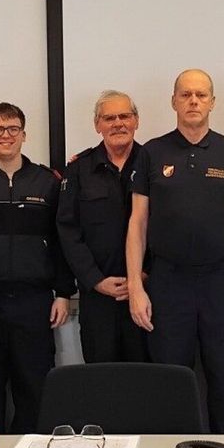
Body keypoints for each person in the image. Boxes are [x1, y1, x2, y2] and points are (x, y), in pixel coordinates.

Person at [127, 69, 224, 433]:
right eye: (185, 95)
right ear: (173, 102)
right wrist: (136, 287)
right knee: (170, 382)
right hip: (169, 282)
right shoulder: (152, 152)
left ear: (213, 102)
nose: (193, 101)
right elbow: (137, 223)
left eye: (201, 95)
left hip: (221, 281)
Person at [0, 103, 74, 434]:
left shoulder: (48, 182)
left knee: (35, 390)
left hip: (34, 302)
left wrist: (63, 293)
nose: (5, 136)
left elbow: (62, 240)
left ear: (24, 134)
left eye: (12, 129)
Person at [56, 91, 147, 363]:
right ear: (97, 125)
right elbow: (67, 230)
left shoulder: (153, 164)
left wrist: (144, 275)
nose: (118, 123)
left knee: (147, 382)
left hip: (145, 294)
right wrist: (95, 280)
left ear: (136, 121)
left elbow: (166, 224)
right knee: (101, 381)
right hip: (98, 297)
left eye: (125, 116)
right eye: (109, 118)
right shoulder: (78, 170)